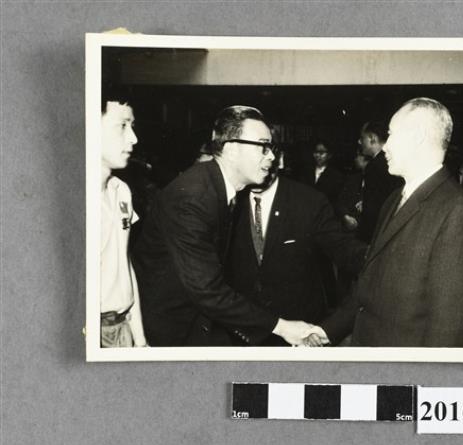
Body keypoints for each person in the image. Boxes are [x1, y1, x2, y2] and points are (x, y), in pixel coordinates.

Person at [307, 98, 463, 347]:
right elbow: (370, 279)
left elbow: (449, 330)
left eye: (391, 135)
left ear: (418, 137)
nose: (386, 147)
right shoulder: (395, 198)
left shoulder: (458, 212)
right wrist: (326, 331)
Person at [132, 105, 315, 346]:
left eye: (271, 147)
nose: (271, 156)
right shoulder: (193, 198)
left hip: (197, 319)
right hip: (171, 329)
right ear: (231, 150)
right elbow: (207, 290)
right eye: (263, 146)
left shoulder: (218, 187)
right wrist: (282, 327)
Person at [225, 152, 368, 345]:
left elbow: (346, 251)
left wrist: (383, 255)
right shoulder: (226, 200)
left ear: (279, 159)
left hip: (300, 332)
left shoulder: (309, 201)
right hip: (241, 331)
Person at [99, 93, 147, 348]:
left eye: (132, 126)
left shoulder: (121, 191)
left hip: (122, 328)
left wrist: (140, 339)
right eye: (122, 126)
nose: (133, 138)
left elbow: (124, 264)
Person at [356, 121, 403, 242]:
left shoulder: (374, 166)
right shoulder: (394, 161)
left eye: (362, 138)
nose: (359, 142)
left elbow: (372, 209)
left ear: (372, 138)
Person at [301, 140, 345, 206]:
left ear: (329, 155)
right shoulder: (306, 172)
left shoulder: (336, 176)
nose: (318, 155)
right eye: (316, 152)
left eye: (321, 152)